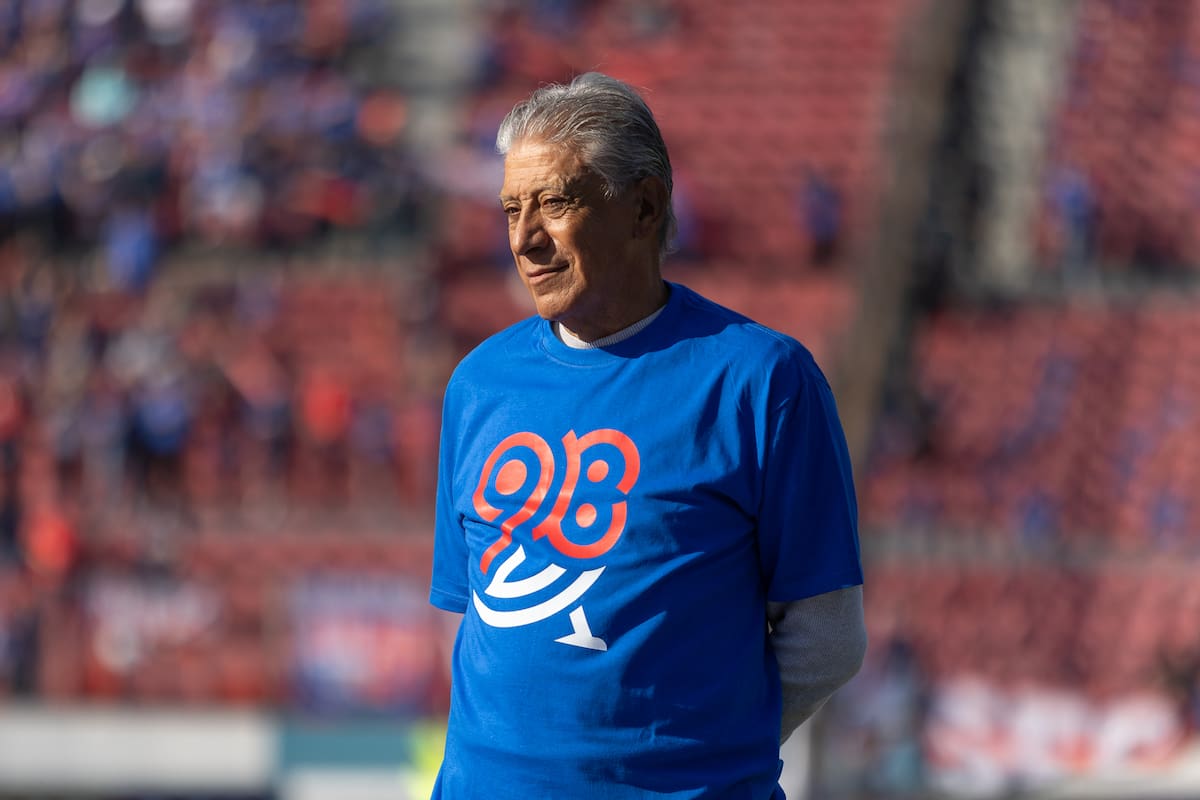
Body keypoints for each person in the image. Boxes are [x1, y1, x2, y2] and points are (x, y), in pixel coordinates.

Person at [429, 72, 866, 798]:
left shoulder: (762, 381)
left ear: (645, 206)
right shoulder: (478, 384)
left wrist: (692, 755)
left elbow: (826, 638)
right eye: (511, 210)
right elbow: (471, 616)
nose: (526, 239)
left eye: (555, 203)